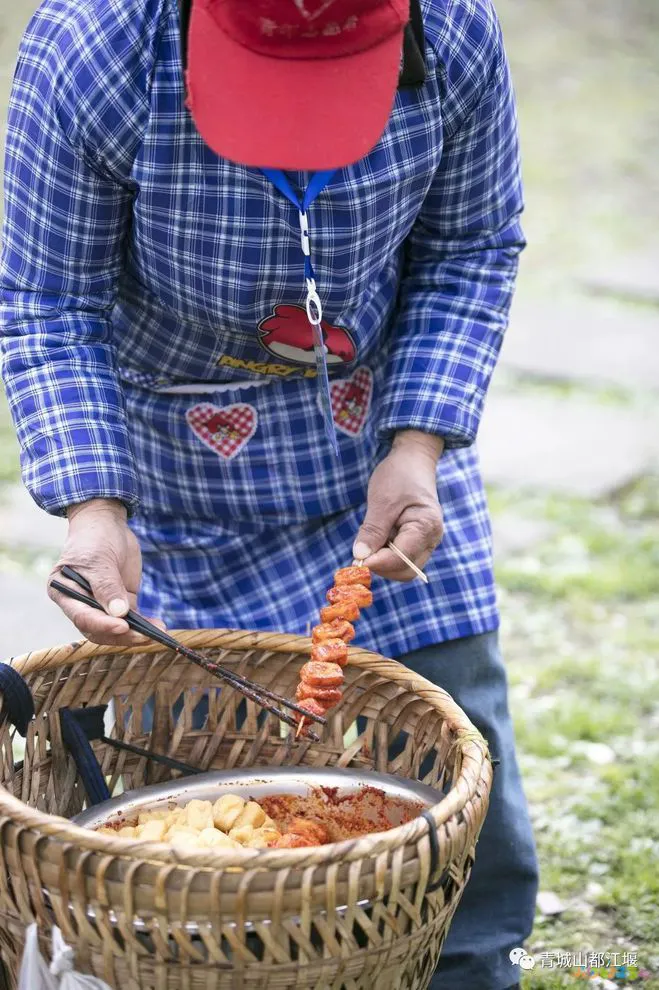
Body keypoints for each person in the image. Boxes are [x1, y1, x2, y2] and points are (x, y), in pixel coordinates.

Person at [0, 0, 538, 986]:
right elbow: (48, 297)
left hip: (376, 456)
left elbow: (471, 248)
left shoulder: (453, 28)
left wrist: (418, 446)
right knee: (211, 832)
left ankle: (466, 966)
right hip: (173, 479)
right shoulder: (99, 44)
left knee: (456, 758)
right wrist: (95, 511)